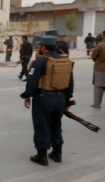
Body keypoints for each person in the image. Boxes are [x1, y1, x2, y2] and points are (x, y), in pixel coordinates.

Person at [20, 35, 74, 166]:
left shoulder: (40, 62)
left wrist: (27, 96)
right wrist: (66, 99)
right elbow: (70, 82)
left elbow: (32, 82)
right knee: (56, 125)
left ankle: (42, 155)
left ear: (43, 47)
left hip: (44, 98)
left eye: (39, 46)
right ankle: (57, 153)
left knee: (42, 125)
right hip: (60, 98)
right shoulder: (65, 60)